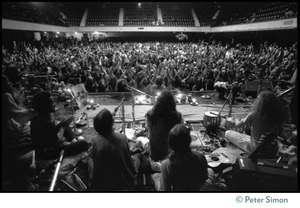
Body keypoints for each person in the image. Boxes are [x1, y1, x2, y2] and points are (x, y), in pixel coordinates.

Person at [30, 91, 89, 169]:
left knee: (63, 124)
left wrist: (62, 125)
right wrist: (63, 127)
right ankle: (76, 142)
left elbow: (52, 133)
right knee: (83, 143)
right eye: (51, 102)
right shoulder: (45, 122)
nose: (54, 104)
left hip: (45, 148)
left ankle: (74, 140)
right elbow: (58, 142)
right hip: (50, 153)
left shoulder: (36, 118)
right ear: (44, 106)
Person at [225, 91, 289, 156]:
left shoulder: (254, 115)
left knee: (228, 133)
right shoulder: (278, 116)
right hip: (273, 150)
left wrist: (235, 119)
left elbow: (238, 125)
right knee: (247, 135)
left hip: (256, 150)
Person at [90, 109, 141, 191]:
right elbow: (128, 161)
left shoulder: (93, 140)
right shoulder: (122, 138)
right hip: (122, 182)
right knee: (138, 157)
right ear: (111, 123)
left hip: (101, 183)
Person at [2, 74, 36, 191]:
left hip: (10, 123)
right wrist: (30, 112)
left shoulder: (10, 93)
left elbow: (19, 105)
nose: (9, 83)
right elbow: (15, 112)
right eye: (6, 81)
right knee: (32, 127)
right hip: (11, 125)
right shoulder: (6, 96)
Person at [160, 124, 215, 191]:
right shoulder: (200, 157)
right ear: (189, 141)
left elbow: (166, 189)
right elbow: (205, 177)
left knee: (156, 176)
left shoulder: (166, 165)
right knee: (210, 170)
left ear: (170, 143)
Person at [145, 90, 183, 162]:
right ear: (172, 102)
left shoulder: (149, 114)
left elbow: (149, 132)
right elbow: (180, 136)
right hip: (172, 156)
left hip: (155, 153)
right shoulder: (178, 116)